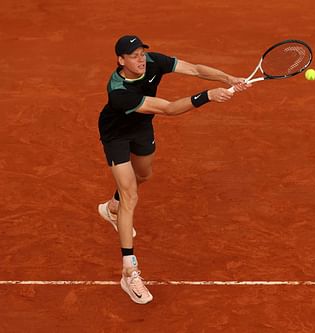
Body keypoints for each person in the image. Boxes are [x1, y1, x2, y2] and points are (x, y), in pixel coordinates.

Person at [97, 35, 249, 304]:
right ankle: (129, 271)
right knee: (130, 194)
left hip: (142, 127)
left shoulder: (154, 62)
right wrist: (208, 96)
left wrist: (227, 78)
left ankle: (111, 207)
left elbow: (195, 69)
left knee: (144, 174)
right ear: (121, 60)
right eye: (133, 56)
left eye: (142, 53)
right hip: (116, 135)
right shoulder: (119, 91)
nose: (141, 59)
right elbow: (167, 109)